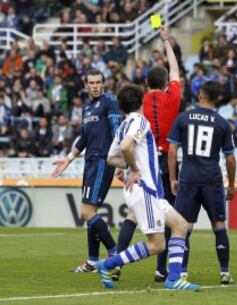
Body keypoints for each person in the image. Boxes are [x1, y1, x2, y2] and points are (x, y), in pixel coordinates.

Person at [96, 84, 200, 291]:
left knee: (180, 225)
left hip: (149, 191)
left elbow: (111, 158)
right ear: (141, 101)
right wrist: (134, 169)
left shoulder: (124, 124)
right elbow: (126, 147)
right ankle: (107, 265)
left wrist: (126, 166)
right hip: (145, 189)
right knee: (157, 245)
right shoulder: (139, 121)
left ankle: (174, 279)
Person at [115, 25, 183, 283]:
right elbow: (175, 70)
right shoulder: (172, 98)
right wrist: (166, 42)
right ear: (166, 83)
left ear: (145, 84)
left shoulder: (139, 105)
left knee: (132, 215)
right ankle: (160, 269)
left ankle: (118, 261)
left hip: (140, 161)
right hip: (163, 162)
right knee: (167, 216)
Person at [167, 81, 237, 284]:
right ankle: (224, 273)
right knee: (219, 225)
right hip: (212, 180)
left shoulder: (184, 117)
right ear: (217, 99)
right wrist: (231, 185)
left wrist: (173, 178)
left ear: (200, 95)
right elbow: (230, 158)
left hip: (188, 179)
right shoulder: (223, 123)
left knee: (183, 227)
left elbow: (172, 151)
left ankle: (182, 272)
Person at [51, 69, 120, 273]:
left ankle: (115, 252)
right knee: (91, 213)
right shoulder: (88, 107)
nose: (96, 85)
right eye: (92, 82)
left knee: (86, 212)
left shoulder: (110, 102)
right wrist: (69, 159)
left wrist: (119, 161)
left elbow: (117, 132)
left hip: (101, 161)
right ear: (86, 84)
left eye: (99, 82)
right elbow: (83, 138)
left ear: (103, 83)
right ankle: (92, 261)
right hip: (89, 162)